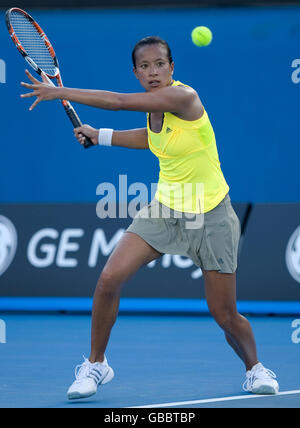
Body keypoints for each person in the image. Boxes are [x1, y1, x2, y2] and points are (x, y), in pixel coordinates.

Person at [21, 36, 279, 399]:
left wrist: (59, 91)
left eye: (160, 64)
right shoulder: (156, 110)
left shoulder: (183, 98)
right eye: (145, 66)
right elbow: (154, 139)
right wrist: (101, 137)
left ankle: (255, 369)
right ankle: (96, 364)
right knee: (110, 277)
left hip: (211, 216)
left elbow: (118, 102)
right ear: (136, 72)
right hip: (164, 210)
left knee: (224, 314)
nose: (153, 71)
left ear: (172, 68)